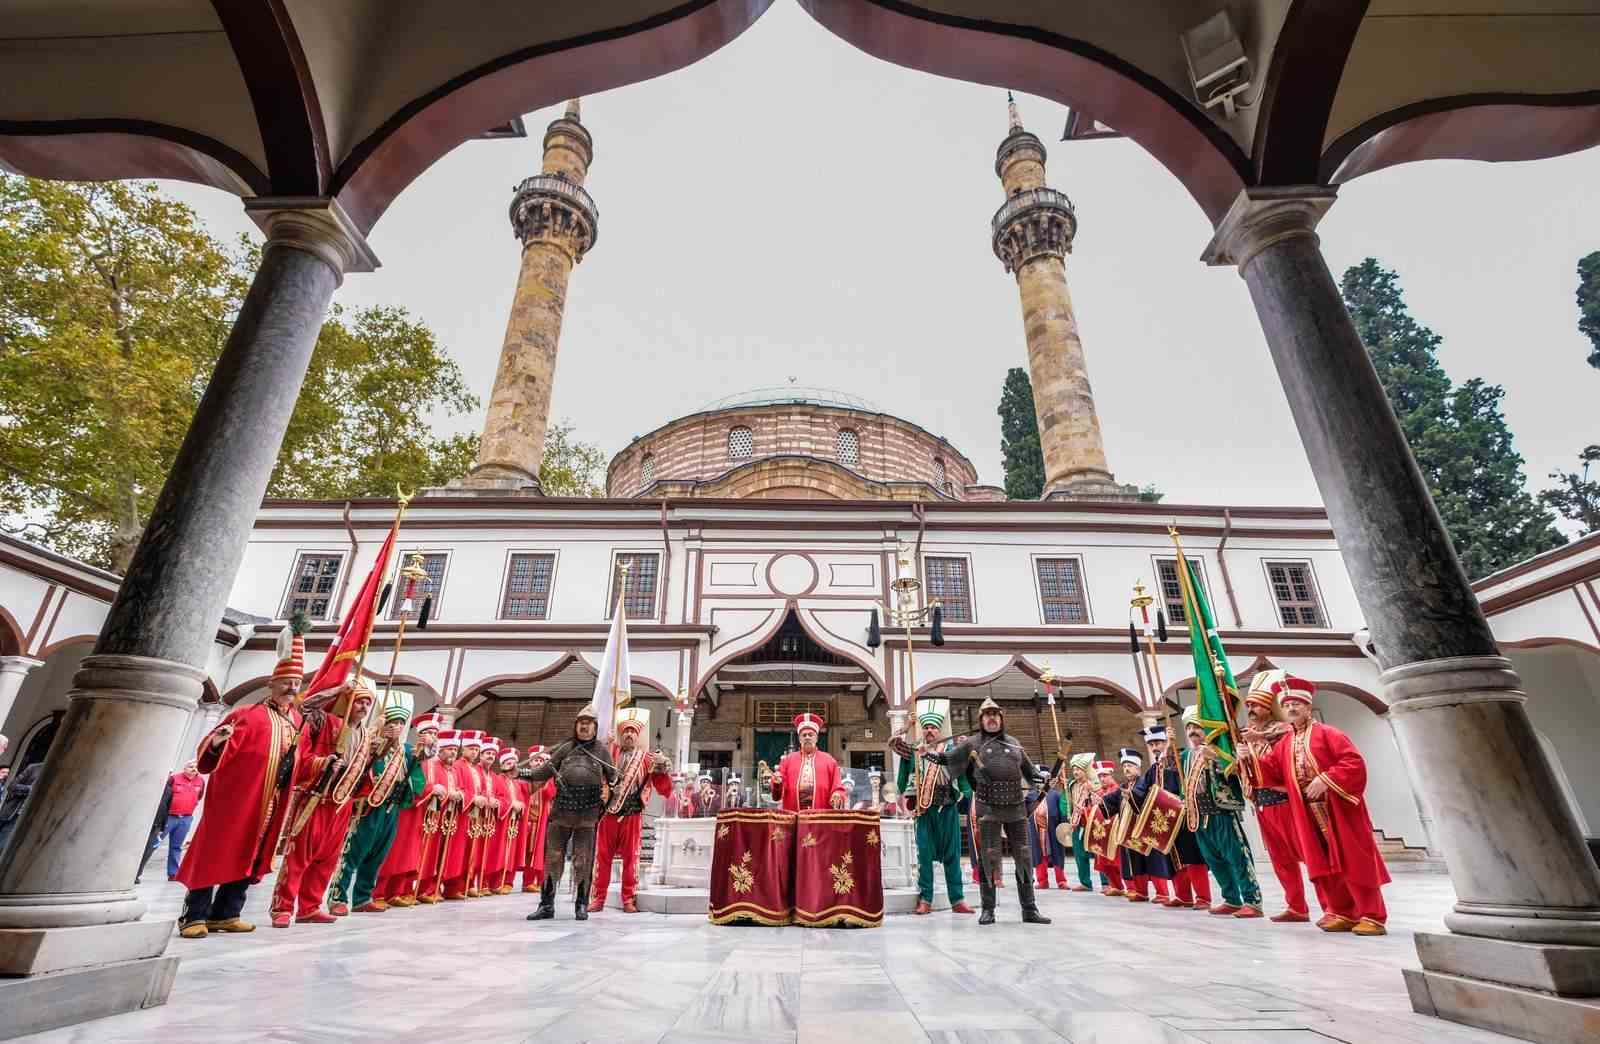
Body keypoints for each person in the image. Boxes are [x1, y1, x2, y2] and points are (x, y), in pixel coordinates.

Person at [175, 634, 306, 939]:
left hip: (270, 803)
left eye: (296, 683)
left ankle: (227, 912)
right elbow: (212, 749)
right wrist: (219, 743)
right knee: (215, 852)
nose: (291, 688)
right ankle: (193, 915)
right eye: (286, 681)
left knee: (252, 854)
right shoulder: (246, 715)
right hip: (236, 801)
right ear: (271, 684)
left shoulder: (296, 722)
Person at [1245, 675, 1391, 936]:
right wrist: (1249, 758)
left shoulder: (1329, 733)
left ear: (1308, 707)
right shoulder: (1287, 742)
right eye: (1287, 705)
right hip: (1305, 810)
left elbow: (1353, 763)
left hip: (1336, 807)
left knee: (1353, 860)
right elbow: (1272, 773)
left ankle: (1372, 915)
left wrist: (1327, 779)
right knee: (1322, 862)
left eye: (1296, 704)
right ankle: (1343, 912)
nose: (1291, 709)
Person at [924, 696, 1050, 926]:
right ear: (981, 719)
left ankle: (1029, 909)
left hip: (1016, 807)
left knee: (1023, 855)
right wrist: (927, 752)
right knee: (988, 857)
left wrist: (1042, 779)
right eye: (987, 715)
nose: (991, 718)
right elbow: (947, 758)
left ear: (1001, 718)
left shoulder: (1014, 743)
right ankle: (988, 909)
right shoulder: (972, 743)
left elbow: (1030, 773)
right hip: (988, 806)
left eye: (995, 715)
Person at [271, 681, 374, 926]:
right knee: (299, 855)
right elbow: (303, 708)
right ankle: (282, 907)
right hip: (317, 796)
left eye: (368, 703)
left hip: (342, 801)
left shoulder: (366, 735)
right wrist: (337, 690)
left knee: (327, 858)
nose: (364, 706)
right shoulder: (326, 721)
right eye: (360, 700)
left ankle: (310, 906)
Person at [330, 694, 426, 914]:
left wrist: (427, 747)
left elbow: (421, 772)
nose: (397, 727)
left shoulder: (407, 751)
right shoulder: (371, 744)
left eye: (401, 724)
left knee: (377, 855)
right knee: (353, 853)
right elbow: (361, 767)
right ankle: (338, 897)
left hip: (391, 808)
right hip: (368, 807)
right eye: (393, 722)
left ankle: (363, 897)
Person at [525, 703, 618, 922]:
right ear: (576, 726)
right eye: (581, 723)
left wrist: (607, 801)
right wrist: (521, 773)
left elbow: (615, 780)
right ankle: (546, 905)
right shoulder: (565, 748)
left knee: (583, 860)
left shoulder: (602, 751)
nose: (584, 727)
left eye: (588, 724)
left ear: (595, 728)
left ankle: (581, 905)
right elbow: (543, 772)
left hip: (588, 814)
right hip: (561, 813)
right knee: (553, 858)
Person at [890, 698, 974, 915]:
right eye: (926, 727)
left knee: (953, 855)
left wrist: (965, 795)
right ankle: (925, 898)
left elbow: (966, 773)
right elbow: (893, 743)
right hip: (923, 810)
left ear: (939, 730)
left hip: (947, 808)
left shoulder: (952, 751)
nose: (929, 731)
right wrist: (908, 725)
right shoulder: (914, 750)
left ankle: (957, 900)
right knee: (924, 855)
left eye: (933, 727)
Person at [1180, 706, 1263, 917]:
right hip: (1199, 816)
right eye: (1189, 727)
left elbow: (1236, 771)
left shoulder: (1220, 748)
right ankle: (1231, 898)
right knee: (1214, 860)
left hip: (1221, 811)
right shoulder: (1187, 755)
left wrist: (1215, 759)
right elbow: (1186, 783)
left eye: (1197, 726)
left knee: (1236, 857)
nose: (1193, 731)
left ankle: (1252, 900)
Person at [1240, 672, 1310, 923]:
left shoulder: (1282, 729)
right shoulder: (1248, 734)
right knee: (1281, 859)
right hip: (1262, 802)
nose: (1251, 709)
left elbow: (1288, 741)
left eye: (1256, 705)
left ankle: (1335, 904)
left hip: (1284, 801)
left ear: (1269, 708)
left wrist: (1260, 738)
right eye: (1248, 705)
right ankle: (1296, 906)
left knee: (1306, 853)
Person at [590, 708, 672, 913]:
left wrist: (662, 768)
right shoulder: (610, 752)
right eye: (625, 731)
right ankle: (598, 898)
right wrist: (603, 744)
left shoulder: (647, 758)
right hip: (609, 813)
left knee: (631, 858)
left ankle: (628, 898)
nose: (628, 734)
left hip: (633, 813)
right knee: (602, 858)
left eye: (633, 732)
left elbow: (663, 788)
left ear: (638, 736)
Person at [375, 710, 447, 907]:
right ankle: (381, 892)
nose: (433, 738)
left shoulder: (433, 762)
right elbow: (413, 784)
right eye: (429, 733)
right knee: (395, 851)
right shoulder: (412, 753)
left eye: (435, 734)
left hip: (421, 814)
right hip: (405, 810)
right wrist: (432, 789)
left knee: (411, 853)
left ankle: (402, 890)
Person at [1099, 747, 1172, 903]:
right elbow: (1110, 802)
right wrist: (1099, 801)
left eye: (1130, 765)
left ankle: (1162, 893)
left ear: (1138, 767)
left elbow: (1147, 797)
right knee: (1134, 862)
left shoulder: (1144, 781)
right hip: (1128, 832)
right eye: (1124, 766)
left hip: (1144, 830)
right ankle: (1141, 892)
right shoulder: (1124, 787)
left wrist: (1133, 796)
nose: (1126, 769)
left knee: (1153, 861)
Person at [417, 728, 467, 903]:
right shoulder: (429, 765)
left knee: (442, 855)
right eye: (450, 749)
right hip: (432, 817)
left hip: (449, 818)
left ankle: (436, 887)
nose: (453, 752)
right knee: (429, 853)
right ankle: (425, 889)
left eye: (455, 750)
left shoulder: (453, 770)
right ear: (441, 749)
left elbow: (460, 788)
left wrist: (459, 794)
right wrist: (439, 791)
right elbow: (423, 787)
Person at [442, 730, 487, 900]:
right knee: (458, 852)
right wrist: (473, 798)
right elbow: (459, 788)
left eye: (477, 750)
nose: (474, 752)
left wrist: (482, 798)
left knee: (471, 851)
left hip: (475, 816)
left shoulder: (475, 769)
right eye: (471, 749)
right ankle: (453, 887)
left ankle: (467, 883)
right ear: (463, 749)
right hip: (462, 815)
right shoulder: (458, 766)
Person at [769, 713, 847, 811]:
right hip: (794, 816)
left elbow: (838, 787)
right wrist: (777, 783)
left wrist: (837, 795)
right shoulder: (787, 760)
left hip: (820, 817)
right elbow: (778, 793)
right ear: (799, 739)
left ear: (816, 738)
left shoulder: (829, 761)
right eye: (804, 735)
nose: (807, 737)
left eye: (810, 735)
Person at [150, 760, 205, 881]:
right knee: (154, 843)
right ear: (184, 768)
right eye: (191, 767)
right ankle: (137, 871)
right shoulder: (174, 779)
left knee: (176, 847)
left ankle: (173, 873)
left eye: (196, 767)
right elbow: (164, 797)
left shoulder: (200, 781)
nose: (194, 769)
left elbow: (199, 797)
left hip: (185, 819)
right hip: (169, 818)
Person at [518, 745, 555, 893]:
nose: (540, 763)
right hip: (527, 820)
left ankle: (540, 881)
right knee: (527, 851)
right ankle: (527, 882)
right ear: (531, 762)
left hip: (545, 821)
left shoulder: (551, 778)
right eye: (537, 760)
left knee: (544, 851)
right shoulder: (523, 776)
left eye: (544, 761)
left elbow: (550, 793)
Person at [492, 746, 527, 894]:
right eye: (508, 762)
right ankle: (495, 882)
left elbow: (522, 800)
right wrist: (510, 804)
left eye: (514, 762)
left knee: (511, 852)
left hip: (514, 822)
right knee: (498, 852)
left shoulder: (518, 783)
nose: (512, 765)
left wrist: (521, 806)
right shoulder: (497, 779)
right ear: (502, 765)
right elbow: (496, 798)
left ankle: (508, 881)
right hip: (502, 821)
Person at [1089, 760, 1126, 896]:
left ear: (1111, 774)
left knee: (1118, 861)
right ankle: (1116, 886)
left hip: (1115, 831)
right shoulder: (1097, 793)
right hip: (1101, 832)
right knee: (1105, 862)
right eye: (1100, 776)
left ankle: (1130, 886)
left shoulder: (1119, 790)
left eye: (1105, 775)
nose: (1102, 779)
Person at [1064, 752, 1098, 892]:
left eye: (1078, 769)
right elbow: (1068, 802)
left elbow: (1098, 803)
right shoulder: (1072, 784)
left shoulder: (1093, 785)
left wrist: (1085, 809)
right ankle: (1085, 882)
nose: (1076, 772)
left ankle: (1106, 882)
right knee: (1079, 854)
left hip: (1090, 823)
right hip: (1075, 823)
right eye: (1074, 769)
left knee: (1098, 853)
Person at [135, 773, 175, 884]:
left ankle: (136, 874)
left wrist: (162, 827)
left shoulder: (168, 790)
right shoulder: (147, 786)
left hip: (156, 825)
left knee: (147, 851)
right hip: (141, 823)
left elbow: (167, 809)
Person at [0, 760, 42, 856]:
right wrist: (29, 789)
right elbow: (12, 786)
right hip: (9, 811)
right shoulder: (34, 768)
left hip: (22, 818)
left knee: (2, 845)